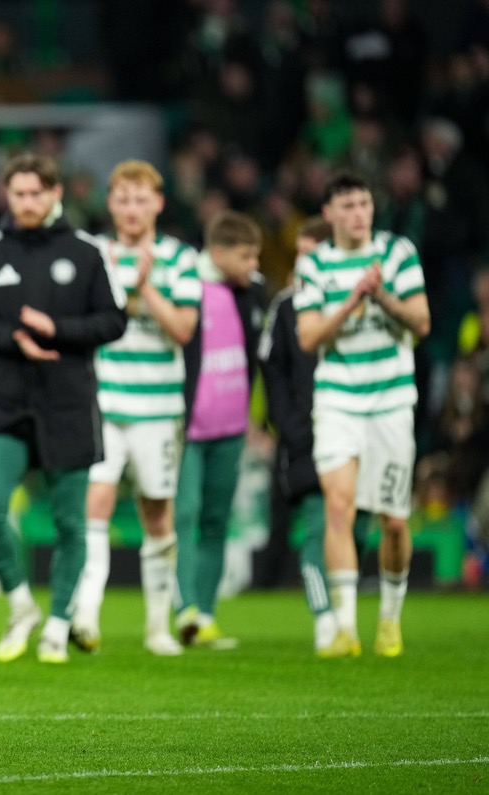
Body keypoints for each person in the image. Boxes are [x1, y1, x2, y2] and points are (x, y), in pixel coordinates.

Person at [0, 152, 126, 664]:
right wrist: (14, 336)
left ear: (55, 194)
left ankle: (58, 624)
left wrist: (58, 330)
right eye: (18, 194)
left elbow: (113, 321)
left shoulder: (87, 251)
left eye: (36, 193)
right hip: (3, 404)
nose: (26, 203)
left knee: (71, 524)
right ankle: (20, 603)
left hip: (67, 403)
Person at [293, 171, 429, 658]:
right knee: (338, 507)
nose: (358, 214)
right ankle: (345, 627)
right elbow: (309, 337)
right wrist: (352, 299)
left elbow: (422, 322)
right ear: (328, 214)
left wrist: (382, 296)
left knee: (393, 520)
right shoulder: (315, 266)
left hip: (391, 400)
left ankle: (389, 619)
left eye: (365, 204)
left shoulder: (398, 254)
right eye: (347, 206)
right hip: (338, 400)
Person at [70, 160, 201, 657]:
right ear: (111, 204)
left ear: (158, 203)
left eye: (141, 199)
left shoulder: (181, 259)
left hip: (159, 409)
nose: (131, 209)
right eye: (123, 199)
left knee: (156, 512)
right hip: (103, 403)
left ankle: (156, 627)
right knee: (95, 506)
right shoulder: (95, 254)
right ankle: (85, 616)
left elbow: (184, 330)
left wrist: (144, 286)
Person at [260, 216, 372, 656]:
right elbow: (272, 371)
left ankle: (344, 613)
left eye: (311, 254)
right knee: (314, 530)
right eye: (300, 254)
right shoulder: (286, 307)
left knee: (356, 528)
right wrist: (289, 427)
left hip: (359, 429)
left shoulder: (364, 302)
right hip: (305, 437)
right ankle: (326, 621)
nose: (302, 263)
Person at [173, 212, 266, 649]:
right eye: (245, 255)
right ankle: (183, 607)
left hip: (232, 425)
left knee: (215, 520)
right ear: (218, 253)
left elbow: (255, 360)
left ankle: (204, 616)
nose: (253, 264)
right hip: (187, 425)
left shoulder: (253, 294)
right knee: (185, 513)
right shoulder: (185, 285)